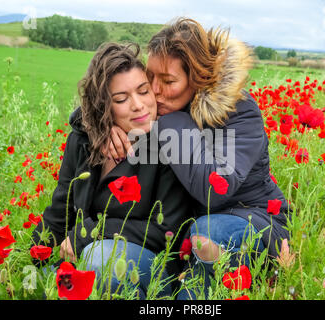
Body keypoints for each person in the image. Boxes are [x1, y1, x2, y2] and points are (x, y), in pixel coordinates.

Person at [102, 18, 292, 300]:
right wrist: (108, 125)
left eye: (168, 81)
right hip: (177, 233)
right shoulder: (160, 107)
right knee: (113, 262)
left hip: (250, 220)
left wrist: (172, 123)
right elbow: (96, 111)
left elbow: (215, 188)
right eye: (150, 77)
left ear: (199, 79)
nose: (154, 90)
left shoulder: (239, 113)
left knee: (207, 233)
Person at [31, 42, 193, 299]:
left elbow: (167, 232)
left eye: (143, 91)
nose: (139, 105)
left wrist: (92, 232)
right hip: (86, 259)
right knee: (36, 287)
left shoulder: (169, 145)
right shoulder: (83, 141)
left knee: (99, 259)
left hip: (152, 269)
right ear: (103, 105)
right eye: (121, 99)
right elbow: (59, 213)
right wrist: (24, 266)